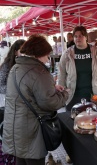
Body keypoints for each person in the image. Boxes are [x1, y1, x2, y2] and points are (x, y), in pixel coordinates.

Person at [2, 34, 69, 165]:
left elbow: (27, 91)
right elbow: (50, 103)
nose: (48, 58)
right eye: (46, 54)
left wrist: (52, 88)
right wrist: (64, 94)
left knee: (21, 161)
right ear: (39, 54)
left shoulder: (15, 68)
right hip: (31, 131)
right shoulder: (39, 72)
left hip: (14, 129)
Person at [58, 26, 97, 111]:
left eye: (81, 35)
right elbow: (61, 72)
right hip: (73, 96)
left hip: (94, 95)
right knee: (72, 121)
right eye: (75, 36)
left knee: (93, 121)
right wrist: (62, 89)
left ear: (86, 37)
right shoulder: (67, 53)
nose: (78, 38)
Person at [0, 39, 25, 165]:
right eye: (22, 50)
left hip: (23, 108)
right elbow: (0, 85)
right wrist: (14, 89)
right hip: (7, 106)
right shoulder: (7, 65)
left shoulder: (27, 65)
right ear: (16, 52)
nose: (25, 53)